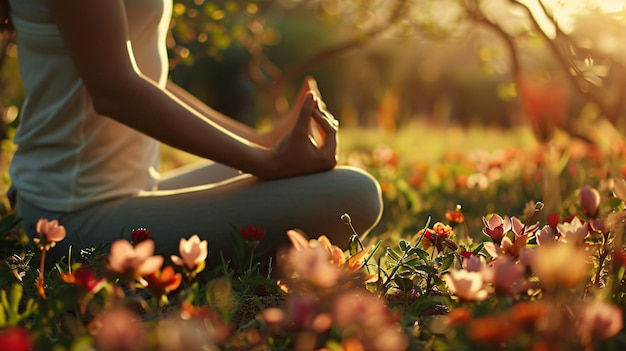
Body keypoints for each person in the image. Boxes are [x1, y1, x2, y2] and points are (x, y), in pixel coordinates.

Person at [2, 0, 382, 266]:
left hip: (132, 191)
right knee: (354, 193)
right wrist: (265, 161)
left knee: (321, 179)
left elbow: (146, 80)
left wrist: (260, 141)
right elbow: (114, 90)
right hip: (68, 217)